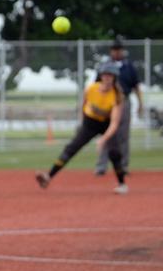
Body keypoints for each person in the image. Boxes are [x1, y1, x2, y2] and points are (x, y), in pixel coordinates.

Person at [35, 61, 128, 194]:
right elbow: (83, 105)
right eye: (105, 75)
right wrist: (82, 122)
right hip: (90, 123)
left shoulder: (117, 96)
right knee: (71, 148)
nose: (107, 78)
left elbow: (114, 123)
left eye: (110, 76)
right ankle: (48, 177)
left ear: (114, 78)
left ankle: (122, 184)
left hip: (107, 125)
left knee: (114, 153)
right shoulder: (92, 89)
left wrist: (103, 140)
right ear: (101, 76)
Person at [94, 38, 144, 175]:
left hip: (124, 101)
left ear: (122, 51)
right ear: (111, 51)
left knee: (123, 136)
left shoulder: (129, 67)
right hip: (107, 103)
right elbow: (97, 86)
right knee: (106, 134)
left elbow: (136, 86)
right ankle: (101, 167)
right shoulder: (105, 66)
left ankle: (123, 166)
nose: (117, 52)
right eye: (114, 50)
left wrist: (140, 103)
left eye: (119, 50)